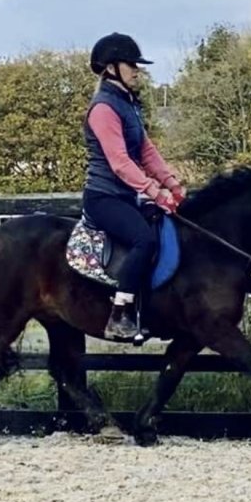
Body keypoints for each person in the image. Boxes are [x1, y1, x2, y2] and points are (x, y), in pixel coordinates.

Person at [82, 32, 187, 340]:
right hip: (104, 197)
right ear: (111, 68)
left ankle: (150, 310)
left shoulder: (127, 104)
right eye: (131, 64)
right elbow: (119, 162)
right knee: (144, 240)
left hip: (126, 196)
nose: (137, 70)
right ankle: (118, 315)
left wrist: (172, 183)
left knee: (163, 229)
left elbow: (146, 152)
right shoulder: (103, 109)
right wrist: (154, 191)